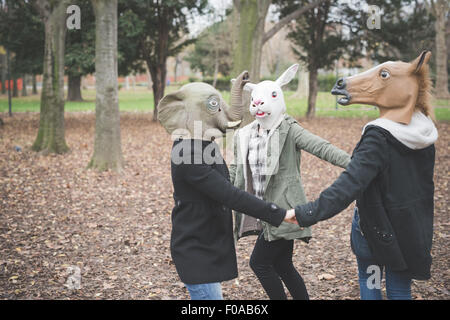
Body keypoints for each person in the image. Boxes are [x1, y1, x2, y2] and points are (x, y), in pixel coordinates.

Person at [290, 51, 438, 299]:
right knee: (400, 287)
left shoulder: (378, 138)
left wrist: (308, 212)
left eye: (384, 75)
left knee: (370, 279)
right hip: (410, 230)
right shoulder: (425, 134)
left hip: (375, 230)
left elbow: (350, 184)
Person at [157, 71, 296, 300]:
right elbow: (228, 194)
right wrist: (278, 214)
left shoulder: (205, 146)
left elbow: (227, 182)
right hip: (197, 252)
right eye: (214, 106)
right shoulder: (186, 154)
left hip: (208, 246)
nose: (222, 112)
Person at [230, 64, 351, 300]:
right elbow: (236, 169)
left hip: (284, 211)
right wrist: (221, 193)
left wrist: (357, 165)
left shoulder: (289, 130)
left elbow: (321, 147)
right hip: (262, 210)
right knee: (283, 265)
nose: (258, 103)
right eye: (255, 99)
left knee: (260, 264)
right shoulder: (245, 135)